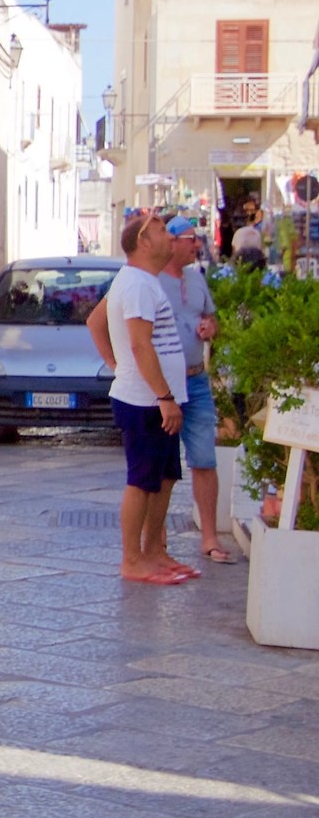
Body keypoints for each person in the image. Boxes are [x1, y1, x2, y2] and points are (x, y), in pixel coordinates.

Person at [86, 213, 193, 584]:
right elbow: (139, 342)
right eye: (163, 231)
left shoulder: (140, 281)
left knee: (164, 478)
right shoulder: (136, 285)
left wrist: (118, 364)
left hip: (159, 398)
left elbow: (94, 321)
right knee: (142, 480)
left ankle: (154, 553)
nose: (171, 237)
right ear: (144, 241)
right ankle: (132, 560)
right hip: (146, 401)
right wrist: (162, 395)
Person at [158, 214, 234, 564]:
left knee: (205, 458)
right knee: (162, 462)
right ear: (172, 241)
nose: (197, 244)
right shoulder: (152, 281)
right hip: (165, 385)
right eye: (191, 238)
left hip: (197, 379)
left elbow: (212, 318)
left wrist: (209, 327)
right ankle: (156, 537)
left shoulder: (196, 278)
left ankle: (209, 537)